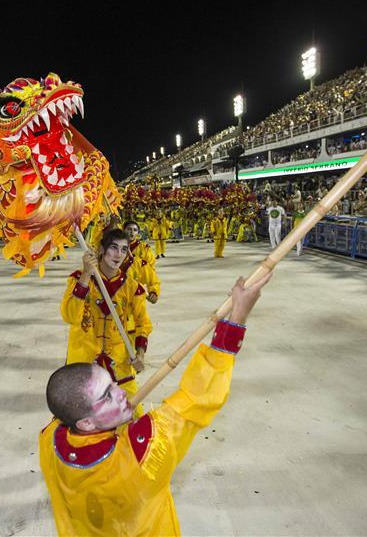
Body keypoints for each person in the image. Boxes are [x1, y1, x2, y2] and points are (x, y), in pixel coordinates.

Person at [40, 271, 273, 536]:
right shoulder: (142, 455)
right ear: (86, 422)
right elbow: (196, 398)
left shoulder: (50, 440)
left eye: (112, 384)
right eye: (106, 395)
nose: (120, 392)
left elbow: (65, 407)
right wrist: (238, 316)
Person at [60, 229, 152, 416]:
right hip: (83, 363)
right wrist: (86, 275)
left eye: (124, 250)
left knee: (134, 416)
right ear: (101, 249)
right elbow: (69, 316)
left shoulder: (132, 287)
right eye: (114, 248)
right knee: (80, 421)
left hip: (119, 363)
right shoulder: (78, 279)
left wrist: (140, 354)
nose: (119, 255)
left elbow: (143, 324)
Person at [121, 221, 160, 304]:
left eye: (135, 230)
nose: (132, 232)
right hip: (117, 290)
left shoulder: (144, 249)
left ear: (138, 232)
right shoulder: (116, 247)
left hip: (136, 292)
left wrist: (153, 291)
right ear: (123, 230)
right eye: (129, 229)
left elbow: (150, 272)